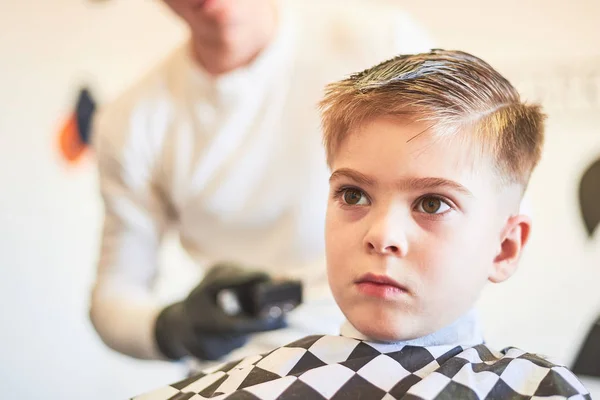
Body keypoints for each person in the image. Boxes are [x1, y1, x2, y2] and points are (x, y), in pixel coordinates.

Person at [131, 49, 591, 399]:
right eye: (353, 195)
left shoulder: (536, 389)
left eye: (432, 204)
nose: (381, 235)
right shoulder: (244, 385)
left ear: (505, 247)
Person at [89, 0, 434, 366]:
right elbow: (114, 295)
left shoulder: (381, 43)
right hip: (242, 369)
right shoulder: (132, 122)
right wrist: (172, 327)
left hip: (399, 351)